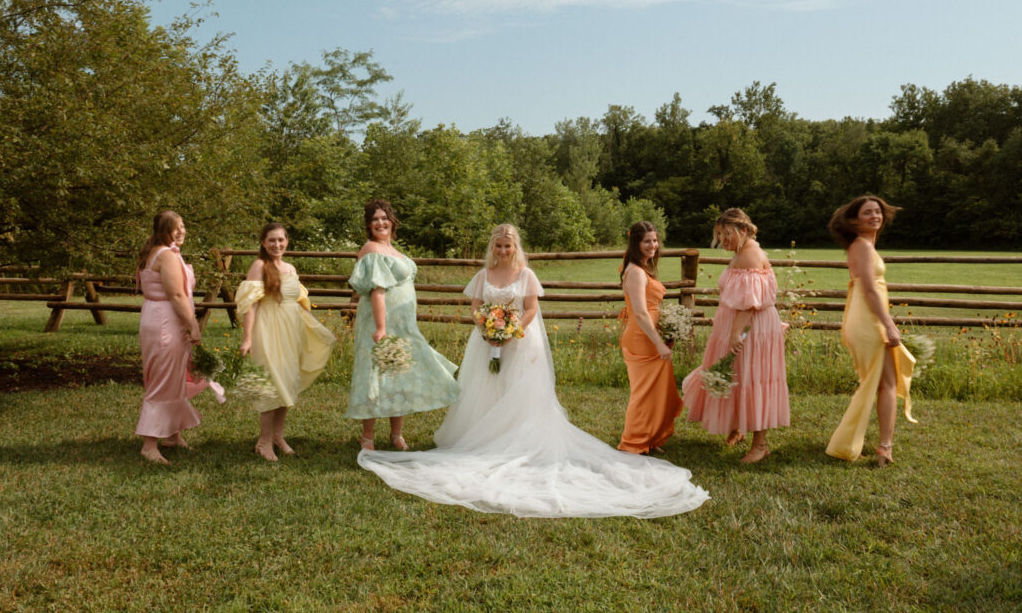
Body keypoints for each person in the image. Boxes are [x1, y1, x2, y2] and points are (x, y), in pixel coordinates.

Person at [356, 224, 709, 518]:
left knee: (520, 391)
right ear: (493, 247)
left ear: (516, 247)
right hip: (485, 341)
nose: (504, 250)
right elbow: (476, 306)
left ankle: (518, 439)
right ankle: (484, 437)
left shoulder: (526, 274)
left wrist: (512, 330)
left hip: (522, 340)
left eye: (509, 245)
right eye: (499, 245)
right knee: (485, 389)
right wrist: (487, 327)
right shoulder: (484, 274)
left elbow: (530, 308)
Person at [346, 199, 459, 450]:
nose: (380, 222)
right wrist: (381, 327)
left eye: (384, 217)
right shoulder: (372, 250)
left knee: (399, 374)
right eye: (374, 219)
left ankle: (396, 435)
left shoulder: (393, 250)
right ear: (368, 224)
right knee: (375, 376)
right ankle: (368, 437)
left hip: (402, 323)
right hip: (380, 324)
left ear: (392, 221)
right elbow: (377, 290)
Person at [681, 209, 789, 463]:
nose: (723, 241)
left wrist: (735, 333)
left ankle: (760, 445)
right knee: (738, 374)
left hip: (751, 327)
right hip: (739, 325)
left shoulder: (750, 255)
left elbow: (749, 304)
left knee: (754, 378)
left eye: (727, 235)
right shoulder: (743, 252)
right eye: (720, 236)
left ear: (742, 231)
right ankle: (737, 428)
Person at [825, 196, 916, 466]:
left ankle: (865, 443)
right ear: (854, 220)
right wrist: (888, 324)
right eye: (867, 212)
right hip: (868, 320)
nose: (875, 216)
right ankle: (883, 448)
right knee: (885, 383)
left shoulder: (863, 245)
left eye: (878, 211)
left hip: (865, 317)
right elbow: (868, 289)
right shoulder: (862, 246)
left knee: (879, 383)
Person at [237, 223, 337, 461]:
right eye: (271, 240)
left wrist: (313, 328)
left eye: (281, 240)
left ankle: (277, 436)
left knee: (287, 384)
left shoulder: (290, 268)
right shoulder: (259, 266)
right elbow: (251, 304)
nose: (276, 244)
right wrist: (248, 337)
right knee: (272, 385)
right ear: (263, 242)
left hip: (291, 331)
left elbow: (300, 301)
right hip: (268, 329)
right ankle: (263, 441)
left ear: (287, 241)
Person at [135, 211, 202, 464]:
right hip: (166, 321)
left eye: (183, 226)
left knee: (173, 376)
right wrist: (193, 325)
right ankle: (149, 444)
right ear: (163, 231)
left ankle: (173, 435)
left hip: (162, 318)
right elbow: (176, 296)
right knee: (163, 378)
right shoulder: (166, 255)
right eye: (176, 228)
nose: (182, 231)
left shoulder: (162, 252)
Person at [617, 221, 681, 454]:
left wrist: (667, 332)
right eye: (647, 241)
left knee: (656, 391)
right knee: (643, 392)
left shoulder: (642, 269)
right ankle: (633, 442)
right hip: (641, 338)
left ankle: (648, 437)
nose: (653, 245)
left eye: (655, 240)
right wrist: (658, 344)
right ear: (636, 243)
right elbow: (642, 313)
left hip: (651, 336)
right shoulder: (635, 272)